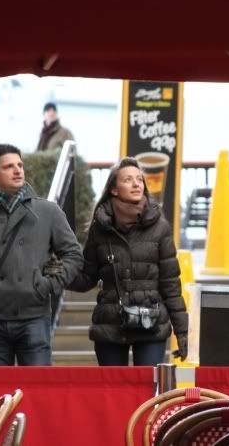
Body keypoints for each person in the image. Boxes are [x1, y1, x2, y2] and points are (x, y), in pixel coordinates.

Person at [0, 143, 83, 366]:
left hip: (34, 316)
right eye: (9, 167)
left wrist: (47, 285)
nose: (18, 170)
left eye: (20, 164)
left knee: (38, 392)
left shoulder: (48, 212)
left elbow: (74, 255)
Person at [67, 157, 188, 366]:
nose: (136, 184)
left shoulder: (160, 227)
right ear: (114, 189)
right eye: (128, 180)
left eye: (139, 179)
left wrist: (182, 332)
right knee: (112, 394)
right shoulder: (100, 228)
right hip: (111, 323)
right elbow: (87, 277)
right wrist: (60, 272)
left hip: (151, 322)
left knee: (149, 393)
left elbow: (170, 284)